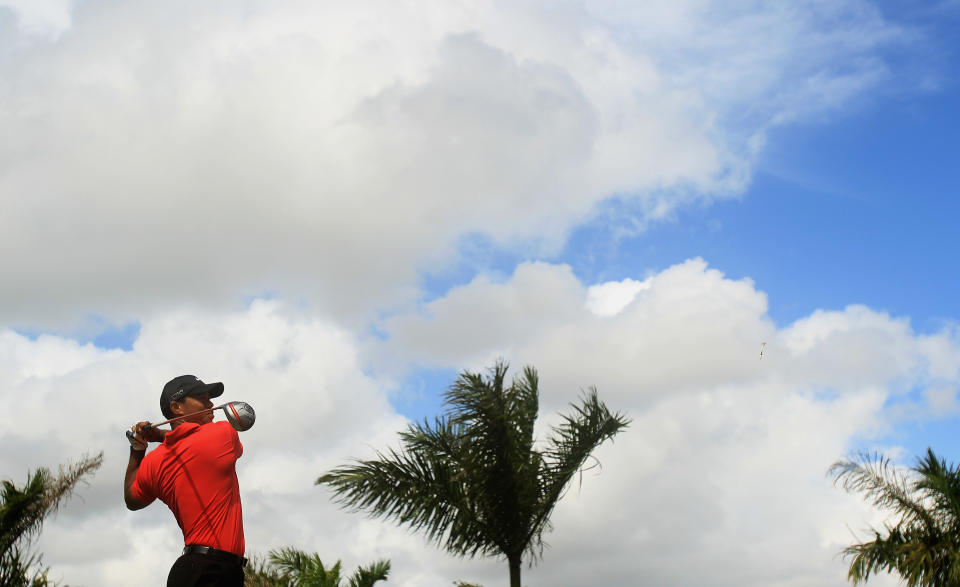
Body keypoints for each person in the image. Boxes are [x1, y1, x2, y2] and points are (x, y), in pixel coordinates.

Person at [124, 375, 247, 587]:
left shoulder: (154, 462)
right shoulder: (222, 434)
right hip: (211, 571)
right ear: (176, 407)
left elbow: (132, 499)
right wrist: (161, 434)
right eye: (202, 399)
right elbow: (191, 442)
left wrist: (137, 449)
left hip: (193, 570)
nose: (211, 404)